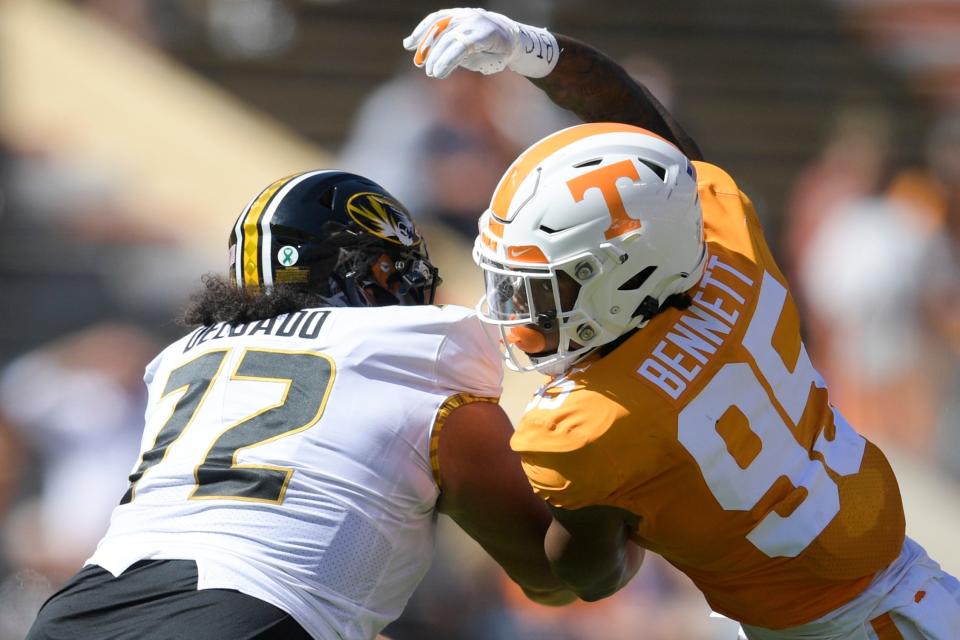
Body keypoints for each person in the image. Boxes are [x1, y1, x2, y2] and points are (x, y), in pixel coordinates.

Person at [405, 8, 960, 638]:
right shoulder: (732, 252)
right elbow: (649, 135)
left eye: (542, 288)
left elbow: (585, 576)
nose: (519, 312)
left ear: (624, 276)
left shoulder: (586, 428)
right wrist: (534, 51)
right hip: (921, 588)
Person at [26, 170, 574, 640]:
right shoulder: (417, 348)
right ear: (366, 272)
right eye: (396, 268)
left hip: (76, 610)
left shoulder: (181, 358)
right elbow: (557, 575)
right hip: (240, 616)